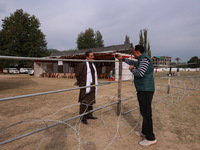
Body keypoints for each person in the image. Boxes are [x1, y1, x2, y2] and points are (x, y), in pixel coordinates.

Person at [116, 45, 157, 146]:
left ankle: (150, 137)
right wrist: (124, 59)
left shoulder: (144, 60)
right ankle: (144, 131)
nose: (133, 53)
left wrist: (132, 69)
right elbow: (134, 62)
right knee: (144, 112)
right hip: (143, 89)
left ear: (137, 51)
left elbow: (140, 73)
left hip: (146, 90)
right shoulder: (141, 59)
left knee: (147, 113)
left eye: (134, 51)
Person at [75, 50, 98, 124]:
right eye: (91, 56)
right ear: (87, 57)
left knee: (90, 101)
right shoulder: (83, 64)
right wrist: (82, 82)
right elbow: (77, 74)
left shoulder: (92, 64)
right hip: (85, 85)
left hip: (92, 85)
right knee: (84, 101)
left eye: (93, 56)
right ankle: (83, 117)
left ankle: (89, 114)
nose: (93, 57)